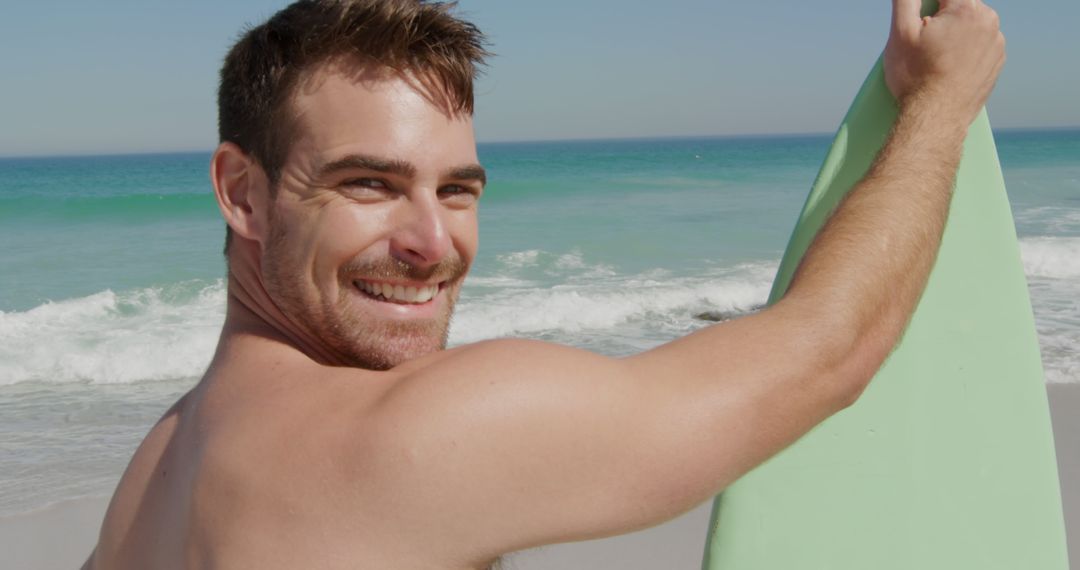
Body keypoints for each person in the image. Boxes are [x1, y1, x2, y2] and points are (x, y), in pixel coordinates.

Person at [83, 0, 1005, 568]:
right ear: (242, 194)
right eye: (369, 184)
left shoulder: (157, 474)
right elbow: (826, 353)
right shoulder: (409, 437)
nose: (431, 242)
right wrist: (940, 105)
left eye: (457, 190)